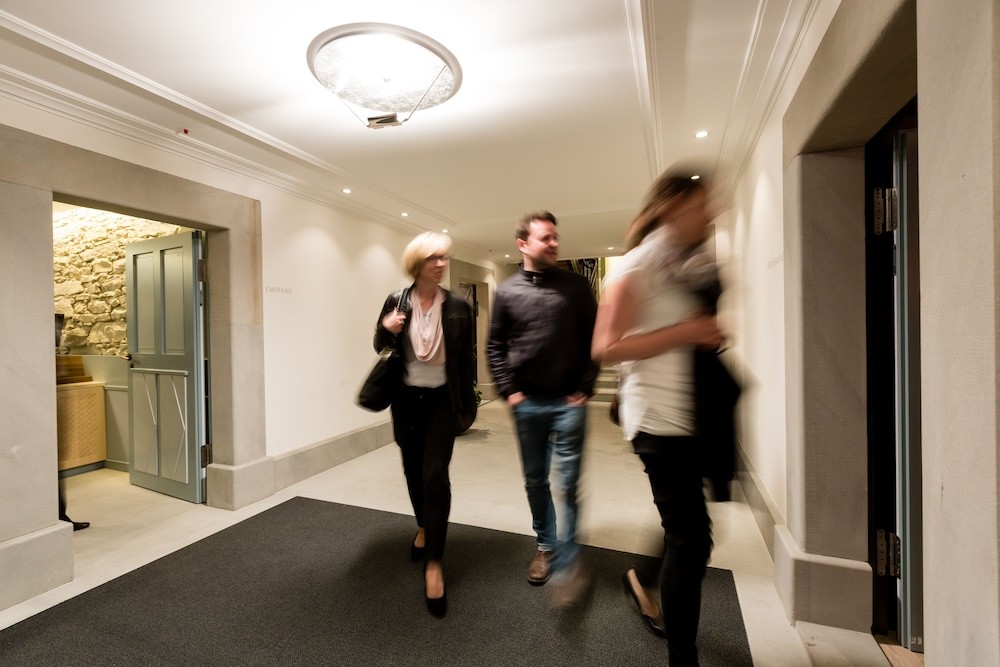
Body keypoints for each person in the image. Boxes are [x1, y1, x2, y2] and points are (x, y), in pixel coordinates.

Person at [591, 172, 725, 666]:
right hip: (657, 421)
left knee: (684, 528)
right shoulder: (634, 267)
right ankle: (682, 657)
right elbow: (604, 347)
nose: (710, 214)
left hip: (695, 415)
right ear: (672, 208)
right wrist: (686, 331)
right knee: (693, 540)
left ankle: (642, 578)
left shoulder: (690, 263)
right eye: (701, 205)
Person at [486, 210, 598, 606]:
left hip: (569, 403)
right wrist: (510, 392)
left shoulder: (576, 286)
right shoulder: (507, 291)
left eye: (555, 236)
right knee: (536, 481)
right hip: (528, 405)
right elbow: (495, 347)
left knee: (568, 483)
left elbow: (594, 339)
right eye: (545, 237)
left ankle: (569, 560)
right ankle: (547, 546)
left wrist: (584, 388)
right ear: (522, 244)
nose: (554, 243)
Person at [373, 231, 476, 618]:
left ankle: (434, 563)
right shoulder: (396, 300)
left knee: (435, 476)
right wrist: (387, 328)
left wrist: (467, 405)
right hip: (405, 402)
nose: (441, 263)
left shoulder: (459, 306)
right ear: (417, 263)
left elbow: (466, 360)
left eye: (444, 257)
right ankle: (423, 525)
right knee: (413, 472)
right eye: (434, 257)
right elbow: (380, 345)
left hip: (441, 404)